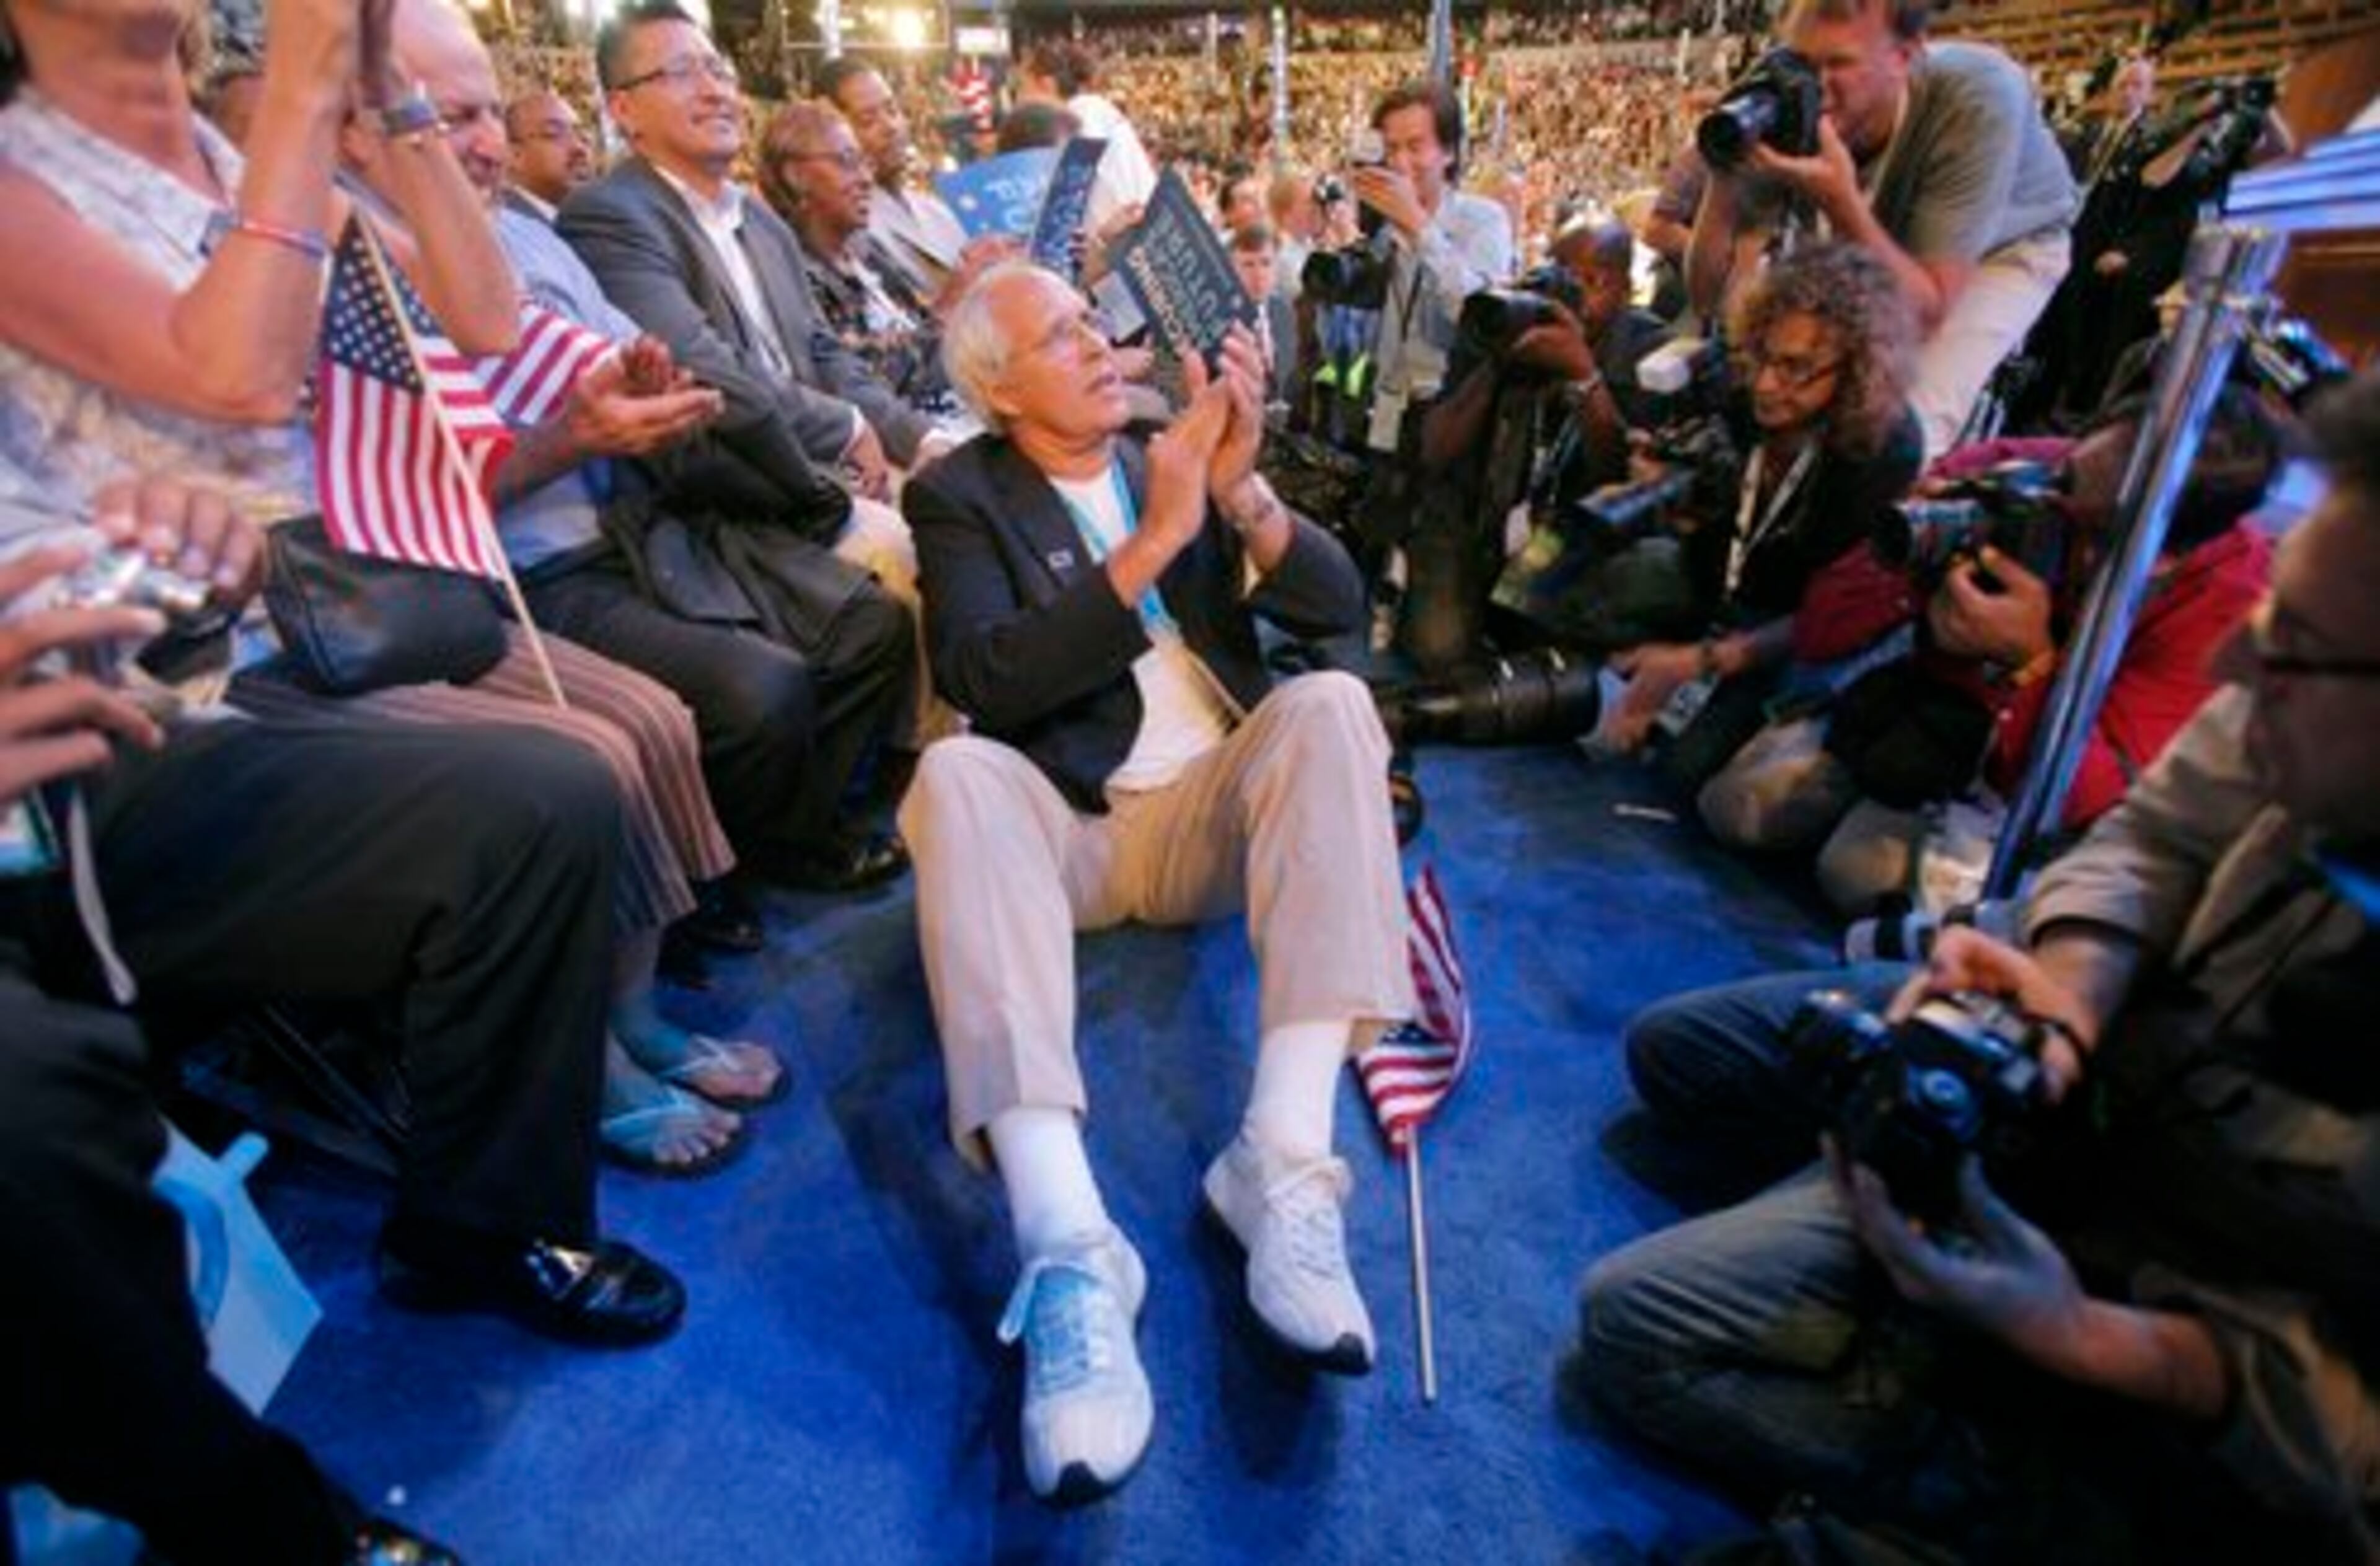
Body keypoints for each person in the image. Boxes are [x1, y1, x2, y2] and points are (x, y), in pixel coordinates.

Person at [1580, 371, 2380, 1563]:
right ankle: (1885, 1241)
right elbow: (2148, 840)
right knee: (1682, 1053)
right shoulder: (2287, 667)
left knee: (1634, 1331)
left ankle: (1966, 1470)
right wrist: (2066, 995)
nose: (2235, 671)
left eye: (2295, 650)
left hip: (2168, 1317)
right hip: (2070, 1092)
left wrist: (2093, 1342)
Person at [900, 264, 1414, 1503]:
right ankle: (1069, 1246)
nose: (1097, 341)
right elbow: (992, 672)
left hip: (1206, 819)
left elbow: (1338, 607)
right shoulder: (957, 491)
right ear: (996, 385)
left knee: (1336, 702)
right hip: (1067, 827)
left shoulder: (1164, 446)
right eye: (1060, 333)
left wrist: (1236, 490)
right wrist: (1159, 538)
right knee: (959, 775)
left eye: (1091, 320)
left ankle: (1282, 1163)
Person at [0, 488, 481, 1565]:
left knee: (542, 791)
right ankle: (236, 1512)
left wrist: (181, 553)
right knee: (28, 1107)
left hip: (98, 731)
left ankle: (488, 1217)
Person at [1698, 387, 2280, 915]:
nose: (2066, 514)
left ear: (2166, 550)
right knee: (1740, 808)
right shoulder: (2010, 474)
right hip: (1917, 706)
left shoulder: (2225, 604)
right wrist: (1911, 567)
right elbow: (1824, 629)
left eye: (2100, 531)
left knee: (1857, 876)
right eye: (2068, 482)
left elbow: (2093, 801)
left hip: (2009, 773)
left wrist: (2027, 665)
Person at [559, 1, 940, 504]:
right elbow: (700, 368)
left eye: (718, 69)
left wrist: (919, 439)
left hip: (835, 470)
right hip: (737, 501)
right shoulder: (610, 216)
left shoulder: (760, 221)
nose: (715, 91)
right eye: (680, 73)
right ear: (624, 111)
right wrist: (844, 427)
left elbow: (822, 350)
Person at [1685, 0, 2078, 460]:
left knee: (1896, 431)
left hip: (2005, 248)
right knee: (1790, 392)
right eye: (1805, 63)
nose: (1817, 86)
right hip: (1875, 223)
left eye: (1839, 64)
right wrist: (1723, 175)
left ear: (1905, 58)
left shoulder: (1979, 94)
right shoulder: (1785, 95)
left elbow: (1925, 312)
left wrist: (1840, 201)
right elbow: (1710, 299)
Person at [1597, 243, 1923, 794]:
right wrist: (1668, 489)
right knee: (1590, 582)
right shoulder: (1740, 391)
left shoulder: (1881, 451)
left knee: (1686, 772)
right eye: (1763, 358)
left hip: (1801, 630)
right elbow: (1717, 520)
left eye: (1797, 368)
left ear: (1859, 370)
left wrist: (1696, 662)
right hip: (1725, 591)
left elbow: (1823, 619)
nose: (1768, 384)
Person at [757, 100, 958, 418]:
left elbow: (924, 331)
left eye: (865, 163)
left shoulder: (867, 254)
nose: (866, 179)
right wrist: (954, 305)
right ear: (796, 176)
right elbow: (870, 378)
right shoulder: (793, 275)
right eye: (847, 162)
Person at [1352, 79, 1517, 455]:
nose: (1399, 162)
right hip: (1384, 419)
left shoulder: (1482, 220)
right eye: (1391, 148)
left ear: (1449, 153)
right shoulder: (1379, 230)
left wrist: (1420, 229)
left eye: (1415, 146)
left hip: (1451, 424)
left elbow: (1482, 319)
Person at [814, 57, 973, 303]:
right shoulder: (846, 229)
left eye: (892, 110)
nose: (891, 126)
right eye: (868, 120)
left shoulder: (936, 210)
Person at [503, 85, 594, 224]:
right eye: (554, 134)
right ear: (515, 156)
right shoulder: (502, 229)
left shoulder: (596, 221)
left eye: (581, 135)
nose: (579, 148)